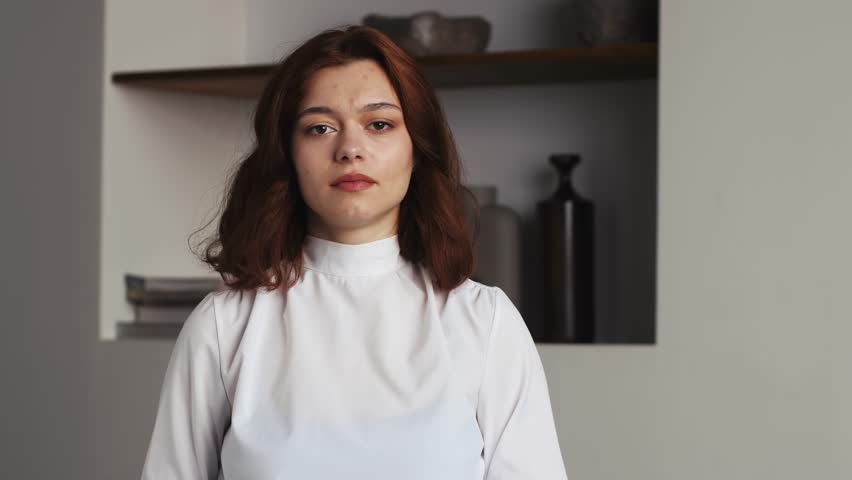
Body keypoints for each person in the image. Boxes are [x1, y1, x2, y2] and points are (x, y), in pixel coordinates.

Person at [140, 25, 567, 479]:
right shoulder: (223, 327)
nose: (350, 149)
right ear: (287, 153)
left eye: (379, 124)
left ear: (416, 149)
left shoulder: (485, 323)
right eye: (320, 128)